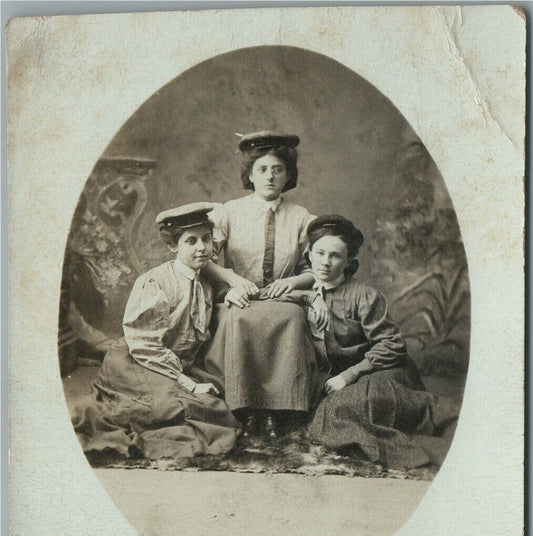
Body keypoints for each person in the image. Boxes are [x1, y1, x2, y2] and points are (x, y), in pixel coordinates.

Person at [271, 215, 459, 469]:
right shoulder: (304, 295)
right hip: (334, 378)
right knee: (312, 415)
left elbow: (392, 346)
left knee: (339, 412)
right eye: (320, 253)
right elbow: (268, 301)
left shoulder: (365, 296)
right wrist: (305, 297)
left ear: (349, 261)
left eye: (335, 256)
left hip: (381, 372)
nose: (326, 262)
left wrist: (349, 376)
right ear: (309, 255)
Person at [72, 203, 241, 460]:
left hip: (170, 362)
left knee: (215, 408)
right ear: (174, 247)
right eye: (191, 241)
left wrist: (233, 289)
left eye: (206, 239)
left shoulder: (205, 280)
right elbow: (144, 344)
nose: (201, 247)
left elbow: (209, 303)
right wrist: (187, 383)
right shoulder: (155, 282)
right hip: (136, 361)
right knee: (187, 408)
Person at [203, 131, 318, 439]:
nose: (270, 176)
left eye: (278, 169)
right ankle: (247, 410)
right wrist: (233, 280)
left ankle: (281, 411)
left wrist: (292, 281)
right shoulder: (228, 211)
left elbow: (314, 268)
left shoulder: (301, 217)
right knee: (240, 317)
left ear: (288, 175)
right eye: (263, 169)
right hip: (238, 293)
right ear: (250, 175)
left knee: (291, 318)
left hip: (282, 295)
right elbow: (206, 258)